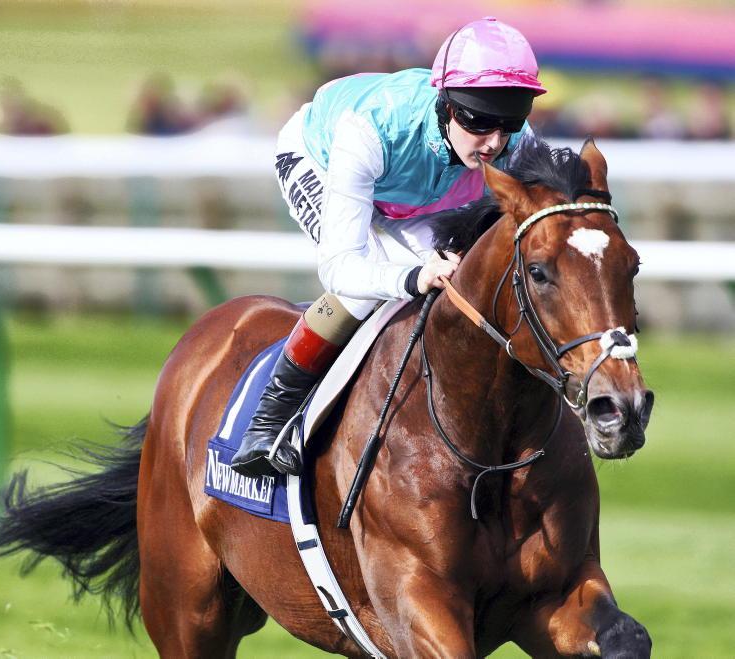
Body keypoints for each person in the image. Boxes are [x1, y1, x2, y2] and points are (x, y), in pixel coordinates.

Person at [231, 17, 547, 477]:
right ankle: (267, 422)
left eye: (509, 124)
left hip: (410, 195)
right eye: (478, 122)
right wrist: (411, 277)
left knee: (457, 280)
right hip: (320, 159)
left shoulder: (515, 144)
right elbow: (340, 267)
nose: (494, 144)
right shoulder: (371, 129)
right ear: (446, 104)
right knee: (366, 287)